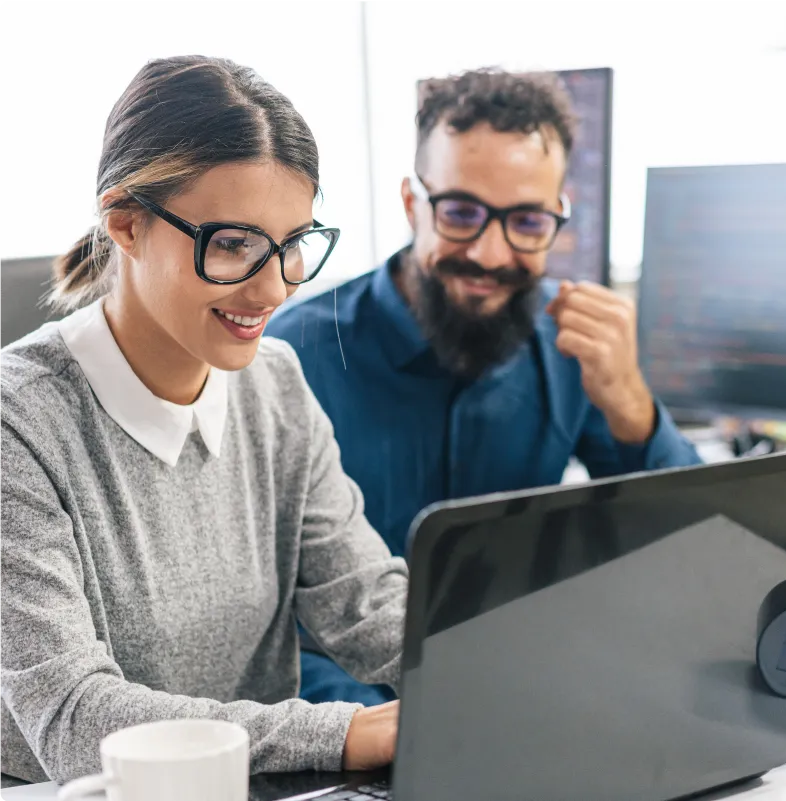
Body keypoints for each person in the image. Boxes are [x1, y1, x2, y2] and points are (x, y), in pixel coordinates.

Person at [0, 55, 404, 788]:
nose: (273, 286)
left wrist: (507, 670)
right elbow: (72, 717)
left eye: (292, 245)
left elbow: (364, 601)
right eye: (232, 244)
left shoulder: (274, 382)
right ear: (124, 222)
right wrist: (342, 731)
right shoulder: (17, 423)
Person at [265, 68, 702, 708]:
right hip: (346, 728)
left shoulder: (570, 343)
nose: (493, 254)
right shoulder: (296, 354)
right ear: (414, 205)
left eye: (527, 222)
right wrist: (394, 727)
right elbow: (264, 628)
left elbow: (691, 547)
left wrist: (634, 408)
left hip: (525, 701)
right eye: (463, 213)